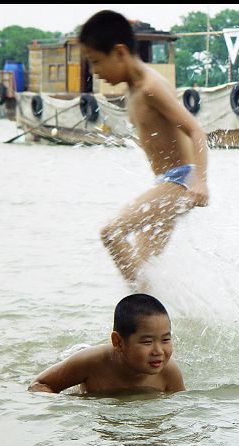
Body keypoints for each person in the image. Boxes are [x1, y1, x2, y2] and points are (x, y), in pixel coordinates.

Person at [79, 10, 209, 284]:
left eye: (96, 61)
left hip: (179, 182)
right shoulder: (133, 88)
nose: (96, 72)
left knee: (111, 233)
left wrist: (201, 183)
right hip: (166, 182)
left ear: (120, 52)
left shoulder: (150, 87)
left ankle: (143, 311)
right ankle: (152, 317)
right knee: (142, 273)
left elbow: (196, 131)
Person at [28, 294, 185, 394]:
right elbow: (39, 385)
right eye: (147, 342)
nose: (158, 351)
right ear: (118, 342)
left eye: (165, 339)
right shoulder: (92, 362)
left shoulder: (169, 372)